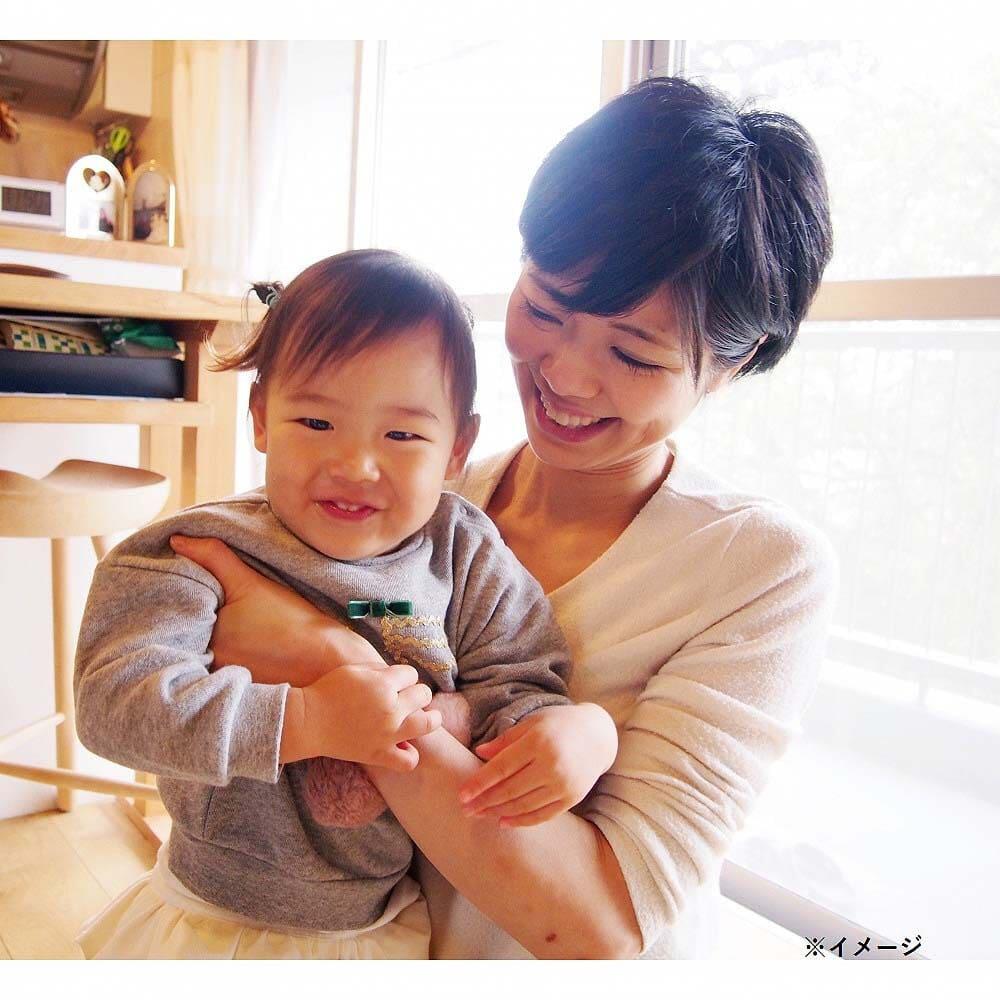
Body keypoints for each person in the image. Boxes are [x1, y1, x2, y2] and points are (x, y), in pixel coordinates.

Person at [162, 75, 840, 960]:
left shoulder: (758, 567)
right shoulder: (420, 501)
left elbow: (599, 928)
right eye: (545, 307)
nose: (566, 375)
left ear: (732, 363)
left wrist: (325, 661)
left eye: (634, 355)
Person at [72, 249, 619, 960]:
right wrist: (307, 720)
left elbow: (517, 686)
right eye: (316, 423)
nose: (356, 465)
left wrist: (579, 733)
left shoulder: (464, 554)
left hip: (381, 929)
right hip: (212, 922)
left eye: (402, 435)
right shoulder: (202, 551)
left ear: (458, 447)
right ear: (261, 418)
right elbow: (115, 705)